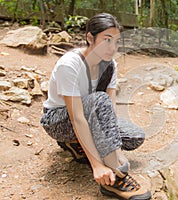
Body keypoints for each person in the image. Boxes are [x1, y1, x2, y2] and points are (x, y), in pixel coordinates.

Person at [40, 13, 151, 200]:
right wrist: (98, 164)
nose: (112, 48)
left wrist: (114, 143)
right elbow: (77, 117)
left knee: (134, 137)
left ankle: (77, 145)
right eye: (107, 40)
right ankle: (114, 181)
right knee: (99, 100)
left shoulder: (110, 65)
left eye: (116, 42)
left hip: (91, 114)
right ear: (90, 38)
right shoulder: (70, 64)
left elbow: (111, 108)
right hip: (60, 120)